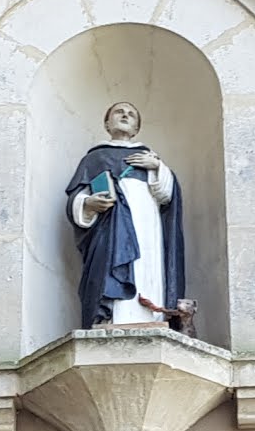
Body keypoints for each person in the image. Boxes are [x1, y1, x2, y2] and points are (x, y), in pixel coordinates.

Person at [66, 101, 185, 330]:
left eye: (131, 114)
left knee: (145, 266)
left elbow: (166, 196)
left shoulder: (148, 157)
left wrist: (157, 167)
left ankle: (149, 317)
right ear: (106, 123)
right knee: (110, 262)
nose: (125, 115)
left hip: (146, 223)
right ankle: (111, 316)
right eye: (119, 112)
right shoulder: (94, 158)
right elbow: (76, 198)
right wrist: (88, 203)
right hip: (109, 227)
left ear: (136, 127)